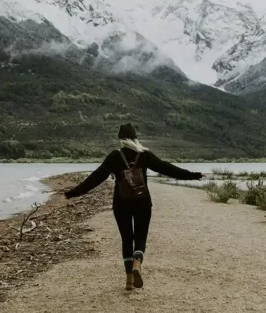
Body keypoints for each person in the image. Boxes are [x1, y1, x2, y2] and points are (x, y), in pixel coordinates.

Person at [63, 123, 204, 291]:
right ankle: (137, 262)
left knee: (126, 239)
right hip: (142, 202)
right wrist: (193, 176)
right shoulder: (144, 155)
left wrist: (71, 193)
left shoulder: (115, 156)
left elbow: (96, 178)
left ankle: (129, 280)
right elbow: (167, 168)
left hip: (121, 203)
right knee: (140, 238)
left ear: (121, 140)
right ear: (135, 138)